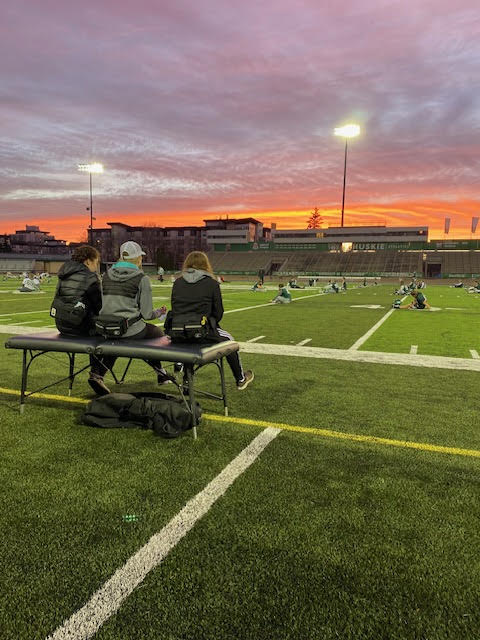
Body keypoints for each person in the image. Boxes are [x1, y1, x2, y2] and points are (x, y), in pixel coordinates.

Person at [165, 251, 254, 390]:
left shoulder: (178, 282)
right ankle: (240, 378)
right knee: (231, 342)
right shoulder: (211, 283)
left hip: (178, 334)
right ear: (205, 265)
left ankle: (187, 381)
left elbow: (175, 308)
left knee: (189, 339)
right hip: (202, 333)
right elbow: (218, 313)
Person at [93, 241, 170, 395]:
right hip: (129, 329)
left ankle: (98, 375)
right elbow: (147, 314)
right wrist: (158, 313)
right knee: (155, 333)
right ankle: (161, 374)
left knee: (116, 340)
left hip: (106, 328)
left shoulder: (106, 275)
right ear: (138, 259)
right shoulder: (142, 278)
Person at [51, 245, 106, 390]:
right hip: (78, 327)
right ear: (88, 261)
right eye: (96, 262)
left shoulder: (64, 274)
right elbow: (100, 308)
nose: (97, 265)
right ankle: (96, 374)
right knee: (104, 330)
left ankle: (96, 374)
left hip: (61, 324)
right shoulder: (90, 277)